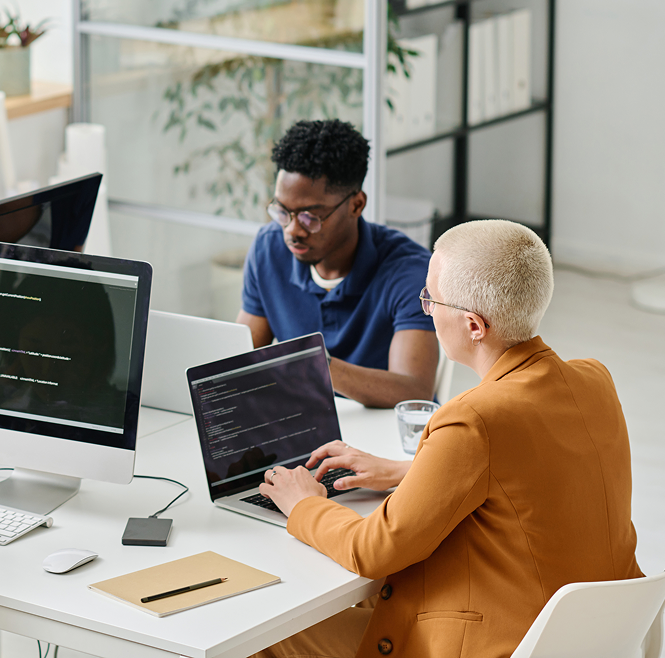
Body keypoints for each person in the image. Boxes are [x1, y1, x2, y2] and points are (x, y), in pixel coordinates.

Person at [253, 220, 642, 658]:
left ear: (474, 325)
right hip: (585, 638)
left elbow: (373, 550)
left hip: (493, 644)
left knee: (261, 633)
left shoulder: (472, 420)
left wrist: (303, 503)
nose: (427, 310)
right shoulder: (594, 379)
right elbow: (531, 469)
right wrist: (409, 471)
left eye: (431, 298)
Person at [237, 120, 438, 408]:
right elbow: (242, 359)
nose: (292, 230)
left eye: (310, 216)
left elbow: (415, 392)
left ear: (356, 205)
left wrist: (313, 362)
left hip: (380, 434)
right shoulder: (269, 249)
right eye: (282, 211)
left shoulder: (409, 272)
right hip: (300, 420)